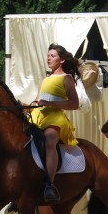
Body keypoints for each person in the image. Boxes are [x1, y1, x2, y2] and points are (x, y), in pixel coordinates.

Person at [27, 43, 80, 203]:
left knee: (50, 142)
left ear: (62, 60)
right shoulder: (45, 79)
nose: (48, 58)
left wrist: (50, 104)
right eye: (48, 55)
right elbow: (37, 101)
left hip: (55, 117)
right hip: (37, 116)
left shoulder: (67, 78)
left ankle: (49, 184)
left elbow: (74, 104)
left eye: (52, 56)